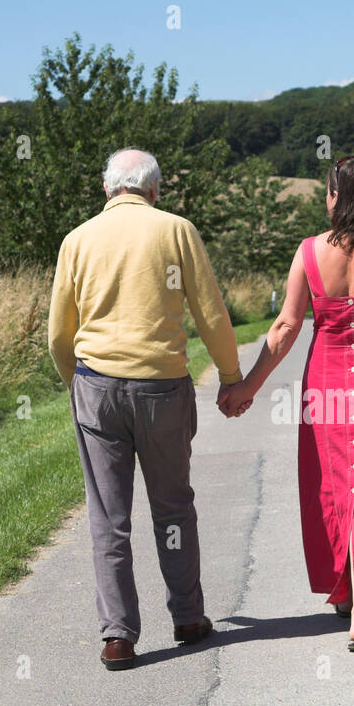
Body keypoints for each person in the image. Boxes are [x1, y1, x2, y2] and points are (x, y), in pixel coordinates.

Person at [220, 156, 354, 651]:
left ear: (338, 197)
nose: (326, 199)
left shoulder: (309, 251)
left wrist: (247, 387)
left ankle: (348, 593)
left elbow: (285, 328)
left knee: (338, 485)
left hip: (327, 383)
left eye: (329, 192)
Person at [49, 148, 244, 672]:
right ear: (154, 190)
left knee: (108, 517)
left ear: (108, 189)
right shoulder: (176, 230)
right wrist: (230, 378)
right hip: (162, 386)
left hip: (97, 385)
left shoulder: (77, 240)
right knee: (173, 508)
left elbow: (58, 334)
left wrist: (80, 386)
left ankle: (117, 637)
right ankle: (186, 617)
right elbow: (211, 314)